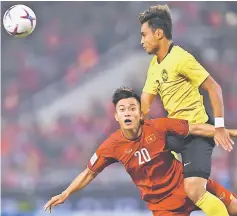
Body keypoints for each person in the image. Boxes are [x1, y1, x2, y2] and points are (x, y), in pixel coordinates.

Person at [44, 88, 237, 216]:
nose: (127, 113)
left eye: (132, 108)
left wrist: (232, 133)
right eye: (122, 110)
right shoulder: (111, 145)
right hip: (163, 207)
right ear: (116, 117)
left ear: (140, 113)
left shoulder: (158, 127)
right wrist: (66, 193)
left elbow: (197, 129)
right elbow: (89, 172)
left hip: (187, 186)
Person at [139, 4, 235, 216]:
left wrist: (219, 126)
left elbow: (214, 87)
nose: (142, 40)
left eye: (144, 35)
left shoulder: (180, 58)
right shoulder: (154, 66)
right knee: (167, 190)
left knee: (194, 190)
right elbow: (144, 105)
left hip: (197, 134)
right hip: (176, 134)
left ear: (159, 33)